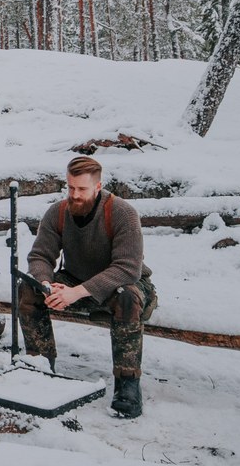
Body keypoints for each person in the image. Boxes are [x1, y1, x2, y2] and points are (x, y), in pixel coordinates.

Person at [18, 155, 158, 419]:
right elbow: (40, 257)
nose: (75, 194)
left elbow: (128, 268)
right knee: (28, 288)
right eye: (70, 187)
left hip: (127, 285)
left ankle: (127, 384)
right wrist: (47, 284)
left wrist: (76, 293)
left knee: (128, 299)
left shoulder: (122, 213)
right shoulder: (58, 212)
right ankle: (40, 368)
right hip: (76, 280)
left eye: (81, 189)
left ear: (98, 186)